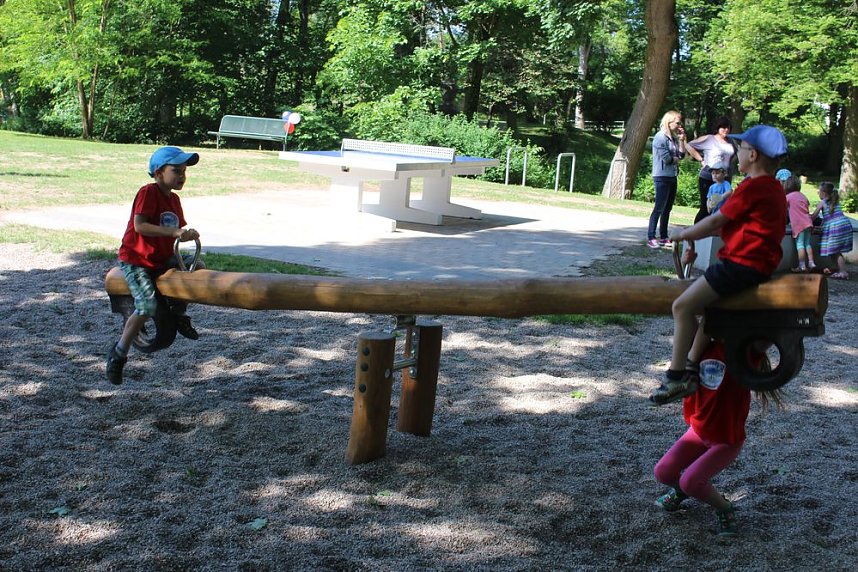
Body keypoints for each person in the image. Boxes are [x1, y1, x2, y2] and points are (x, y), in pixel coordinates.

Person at [649, 125, 788, 405]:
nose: (737, 153)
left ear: (755, 154)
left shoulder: (754, 186)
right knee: (712, 315)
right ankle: (689, 367)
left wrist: (682, 234)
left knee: (682, 306)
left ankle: (675, 376)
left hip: (739, 265)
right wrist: (693, 241)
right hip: (756, 266)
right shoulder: (772, 188)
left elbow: (715, 221)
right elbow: (730, 225)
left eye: (742, 148)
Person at [653, 329, 783, 537]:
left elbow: (769, 334)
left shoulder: (744, 353)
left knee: (691, 481)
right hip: (698, 432)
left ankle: (724, 508)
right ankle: (682, 491)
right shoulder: (696, 353)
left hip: (726, 440)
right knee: (663, 472)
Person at [106, 146, 204, 385]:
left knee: (198, 267)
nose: (181, 176)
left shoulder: (174, 199)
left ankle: (179, 314)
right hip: (137, 261)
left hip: (161, 259)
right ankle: (119, 353)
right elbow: (141, 226)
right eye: (176, 171)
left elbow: (176, 229)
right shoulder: (148, 193)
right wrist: (175, 231)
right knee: (146, 305)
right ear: (159, 172)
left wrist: (186, 234)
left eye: (184, 171)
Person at [648, 111, 688, 249]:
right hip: (661, 176)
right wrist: (675, 159)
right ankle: (651, 237)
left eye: (679, 123)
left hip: (672, 176)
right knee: (659, 207)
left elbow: (681, 155)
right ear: (669, 122)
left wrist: (682, 139)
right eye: (677, 123)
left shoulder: (674, 138)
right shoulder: (660, 138)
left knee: (668, 208)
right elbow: (668, 159)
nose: (679, 125)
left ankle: (664, 236)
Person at [687, 116, 737, 223]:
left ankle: (713, 234)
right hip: (708, 177)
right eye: (723, 127)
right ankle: (695, 234)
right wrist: (701, 160)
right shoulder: (710, 139)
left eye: (728, 128)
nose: (726, 130)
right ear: (718, 128)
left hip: (725, 178)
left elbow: (736, 154)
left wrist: (730, 166)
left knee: (722, 207)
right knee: (707, 207)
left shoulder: (731, 142)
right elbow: (689, 145)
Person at [811, 182, 852, 280]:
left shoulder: (822, 203)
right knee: (835, 251)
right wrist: (821, 227)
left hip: (836, 227)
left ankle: (843, 272)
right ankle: (838, 269)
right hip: (844, 225)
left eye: (819, 191)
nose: (818, 193)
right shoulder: (835, 201)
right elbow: (828, 218)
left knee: (836, 252)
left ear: (824, 193)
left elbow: (813, 217)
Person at [784, 175, 816, 273]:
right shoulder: (803, 196)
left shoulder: (788, 197)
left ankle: (801, 266)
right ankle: (811, 262)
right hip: (808, 222)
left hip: (799, 225)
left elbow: (783, 209)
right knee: (807, 244)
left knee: (800, 245)